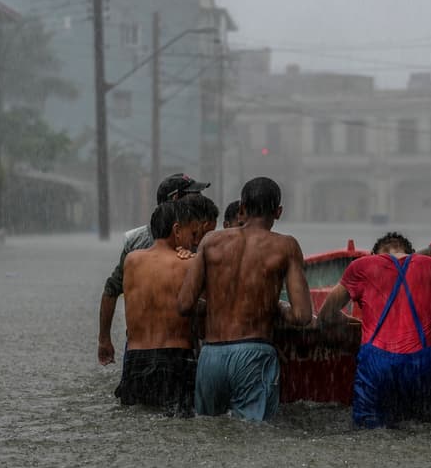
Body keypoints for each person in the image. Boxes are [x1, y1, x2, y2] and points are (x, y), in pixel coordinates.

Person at [177, 177, 313, 421]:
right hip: (254, 354)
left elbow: (185, 304)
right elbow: (302, 316)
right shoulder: (286, 246)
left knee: (208, 435)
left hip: (211, 357)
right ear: (278, 212)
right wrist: (277, 307)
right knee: (253, 440)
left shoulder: (210, 242)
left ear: (241, 209)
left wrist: (220, 305)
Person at [318, 232, 431, 428]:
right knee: (426, 430)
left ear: (373, 255)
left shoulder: (361, 267)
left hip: (375, 365)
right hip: (420, 364)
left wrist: (351, 322)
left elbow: (325, 316)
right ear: (412, 254)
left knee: (367, 433)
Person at [114, 198, 215, 414]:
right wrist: (196, 261)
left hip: (135, 360)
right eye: (193, 234)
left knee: (138, 423)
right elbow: (210, 309)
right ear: (177, 230)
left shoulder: (131, 261)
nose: (195, 241)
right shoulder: (189, 264)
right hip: (175, 360)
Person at [97, 173, 211, 366]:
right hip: (177, 352)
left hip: (144, 351)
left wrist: (104, 339)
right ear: (176, 199)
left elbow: (111, 291)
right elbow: (111, 290)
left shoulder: (198, 234)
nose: (199, 200)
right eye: (194, 195)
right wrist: (104, 339)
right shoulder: (140, 242)